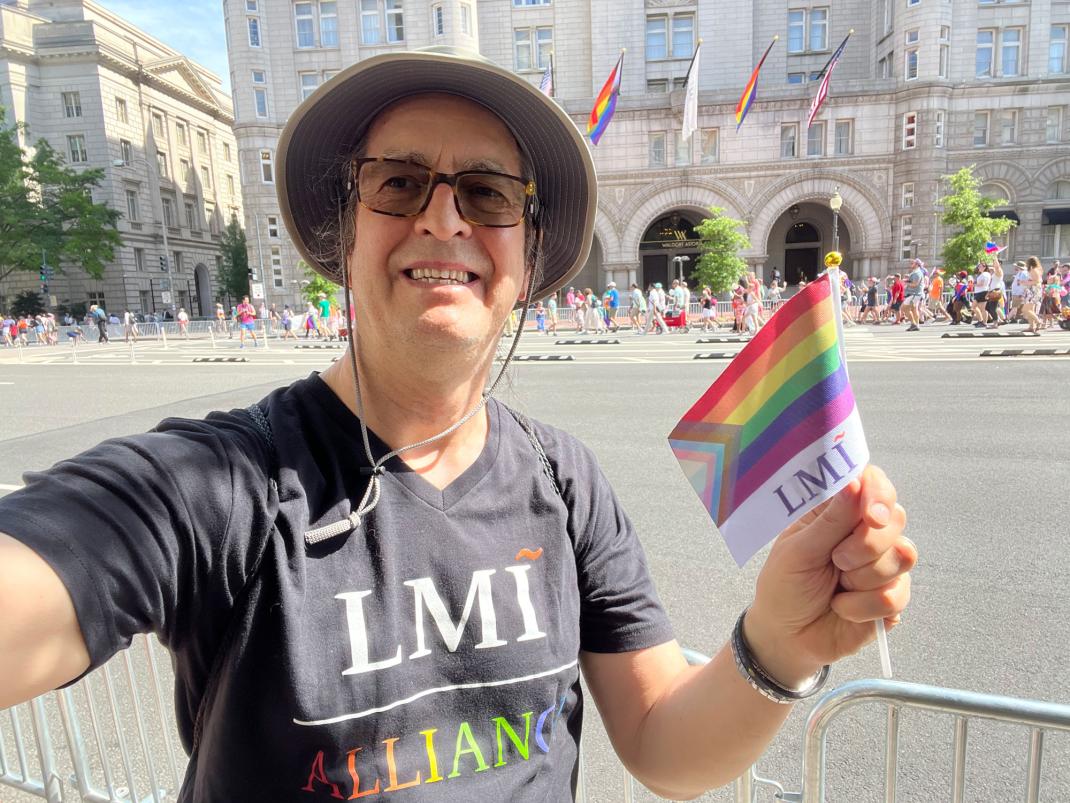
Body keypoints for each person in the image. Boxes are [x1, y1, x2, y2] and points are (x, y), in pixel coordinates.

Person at [0, 47, 912, 802]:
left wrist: (781, 641)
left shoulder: (564, 480)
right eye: (398, 183)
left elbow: (663, 743)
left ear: (527, 251)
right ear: (343, 235)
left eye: (486, 193)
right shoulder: (222, 483)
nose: (443, 216)